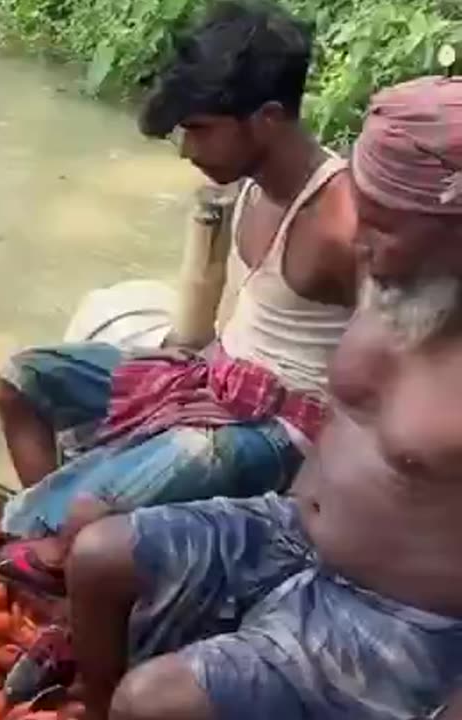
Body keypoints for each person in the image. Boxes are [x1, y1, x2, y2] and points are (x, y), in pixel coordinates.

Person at [65, 75, 462, 720]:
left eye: (385, 227)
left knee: (153, 701)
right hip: (295, 528)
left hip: (396, 618)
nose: (358, 240)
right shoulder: (394, 286)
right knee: (96, 557)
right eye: (365, 212)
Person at [0, 0, 359, 588]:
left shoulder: (341, 222)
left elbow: (400, 358)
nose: (187, 151)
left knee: (92, 511)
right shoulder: (250, 184)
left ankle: (66, 561)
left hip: (282, 428)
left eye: (200, 130)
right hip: (213, 379)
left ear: (266, 118)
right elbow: (247, 308)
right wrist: (197, 359)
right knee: (18, 380)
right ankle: (47, 538)